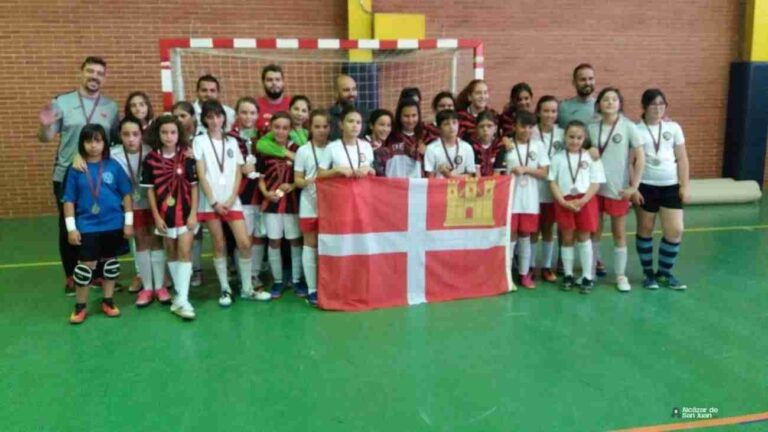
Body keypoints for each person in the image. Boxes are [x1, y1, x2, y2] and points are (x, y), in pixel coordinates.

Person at [38, 56, 119, 296]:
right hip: (68, 175)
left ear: (104, 78)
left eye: (100, 73)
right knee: (69, 225)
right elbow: (45, 138)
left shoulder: (111, 107)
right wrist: (45, 125)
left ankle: (97, 273)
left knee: (100, 222)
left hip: (100, 177)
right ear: (80, 73)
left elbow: (114, 143)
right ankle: (72, 275)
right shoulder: (61, 102)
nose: (95, 76)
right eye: (90, 71)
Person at [62, 124, 133, 324]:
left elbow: (127, 195)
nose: (93, 145)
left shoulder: (113, 166)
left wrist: (128, 222)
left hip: (113, 224)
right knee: (85, 267)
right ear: (82, 144)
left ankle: (108, 301)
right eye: (88, 141)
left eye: (98, 141)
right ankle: (80, 306)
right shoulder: (76, 169)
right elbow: (68, 200)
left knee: (110, 264)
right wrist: (71, 228)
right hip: (87, 226)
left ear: (104, 143)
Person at [194, 100, 262, 306]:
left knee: (244, 243)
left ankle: (247, 289)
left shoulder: (232, 141)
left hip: (232, 201)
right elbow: (201, 174)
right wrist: (214, 201)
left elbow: (238, 171)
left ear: (224, 117)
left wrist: (232, 197)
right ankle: (225, 289)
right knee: (219, 244)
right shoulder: (199, 141)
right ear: (204, 120)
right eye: (210, 117)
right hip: (211, 202)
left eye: (218, 116)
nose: (215, 121)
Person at [141, 115, 200, 320]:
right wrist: (157, 217)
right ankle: (180, 298)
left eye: (173, 132)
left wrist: (193, 214)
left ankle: (182, 299)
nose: (169, 136)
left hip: (186, 213)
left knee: (185, 251)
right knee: (172, 252)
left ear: (179, 134)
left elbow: (195, 187)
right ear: (158, 134)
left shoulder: (187, 156)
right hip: (165, 215)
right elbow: (150, 191)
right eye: (164, 132)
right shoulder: (150, 160)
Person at [588, 87, 645, 292]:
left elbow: (641, 158)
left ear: (620, 103)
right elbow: (582, 153)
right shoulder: (591, 128)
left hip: (618, 189)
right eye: (606, 99)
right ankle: (590, 272)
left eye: (614, 99)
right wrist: (588, 150)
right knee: (594, 231)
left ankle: (621, 275)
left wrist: (634, 186)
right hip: (594, 188)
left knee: (619, 233)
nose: (610, 102)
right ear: (599, 104)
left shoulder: (629, 127)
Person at [634, 89, 689, 290]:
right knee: (645, 229)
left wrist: (684, 185)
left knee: (675, 230)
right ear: (644, 106)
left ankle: (665, 273)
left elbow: (682, 158)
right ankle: (648, 274)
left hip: (670, 186)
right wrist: (634, 188)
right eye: (653, 104)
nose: (658, 108)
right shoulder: (636, 130)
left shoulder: (673, 128)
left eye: (661, 104)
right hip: (645, 186)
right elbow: (630, 162)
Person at [548, 121, 605, 293]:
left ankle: (587, 276)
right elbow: (552, 182)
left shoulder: (591, 157)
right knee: (567, 238)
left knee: (584, 237)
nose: (575, 141)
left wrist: (583, 200)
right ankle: (568, 275)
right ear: (564, 137)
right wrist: (562, 201)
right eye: (571, 137)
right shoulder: (557, 158)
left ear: (584, 138)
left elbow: (596, 183)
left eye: (579, 137)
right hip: (564, 201)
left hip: (585, 201)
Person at [257, 112, 305, 298]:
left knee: (295, 240)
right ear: (271, 128)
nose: (280, 131)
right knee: (274, 241)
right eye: (277, 127)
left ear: (290, 130)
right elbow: (260, 178)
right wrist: (266, 193)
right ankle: (277, 280)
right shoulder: (264, 150)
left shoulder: (298, 150)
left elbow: (304, 175)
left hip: (292, 204)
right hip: (272, 204)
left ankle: (296, 279)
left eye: (285, 128)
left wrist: (292, 185)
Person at [228, 97, 270, 295]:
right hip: (241, 194)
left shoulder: (264, 136)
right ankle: (243, 276)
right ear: (237, 114)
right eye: (244, 112)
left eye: (252, 113)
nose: (248, 117)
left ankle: (254, 274)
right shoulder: (229, 138)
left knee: (259, 235)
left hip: (262, 193)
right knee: (245, 238)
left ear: (258, 115)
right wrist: (240, 167)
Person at [504, 111, 550, 289]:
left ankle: (524, 274)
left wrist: (526, 170)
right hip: (510, 200)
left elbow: (544, 173)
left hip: (529, 200)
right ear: (514, 126)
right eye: (523, 126)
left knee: (525, 236)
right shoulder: (507, 145)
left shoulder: (538, 146)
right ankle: (506, 275)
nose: (526, 130)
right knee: (510, 237)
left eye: (530, 127)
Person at [294, 110, 331, 306]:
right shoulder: (303, 151)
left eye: (325, 126)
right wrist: (309, 182)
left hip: (331, 205)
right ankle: (312, 289)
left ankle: (328, 286)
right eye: (317, 126)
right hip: (309, 203)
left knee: (329, 244)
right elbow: (297, 180)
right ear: (310, 127)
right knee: (310, 244)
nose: (321, 130)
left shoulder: (335, 148)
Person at [530, 96, 565, 282]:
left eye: (553, 111)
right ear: (538, 112)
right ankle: (530, 266)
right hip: (533, 187)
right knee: (533, 230)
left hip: (553, 188)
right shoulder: (531, 132)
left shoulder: (562, 134)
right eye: (546, 111)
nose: (550, 115)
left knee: (548, 228)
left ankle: (546, 266)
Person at [172, 101, 204, 286]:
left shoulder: (203, 136)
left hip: (205, 188)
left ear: (192, 117)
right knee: (189, 230)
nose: (179, 119)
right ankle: (192, 269)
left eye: (183, 116)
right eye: (175, 116)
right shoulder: (172, 137)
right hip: (184, 190)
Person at [318, 106, 375, 179]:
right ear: (341, 125)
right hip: (340, 186)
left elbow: (373, 173)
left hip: (363, 186)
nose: (355, 125)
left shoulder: (367, 146)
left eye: (358, 122)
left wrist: (369, 169)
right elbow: (319, 175)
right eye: (350, 121)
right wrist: (335, 170)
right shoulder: (332, 147)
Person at [424, 110, 477, 179]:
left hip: (461, 185)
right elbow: (430, 178)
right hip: (440, 185)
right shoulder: (431, 149)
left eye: (454, 123)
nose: (451, 127)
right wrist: (439, 171)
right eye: (446, 124)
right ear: (439, 128)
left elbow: (471, 176)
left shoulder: (467, 147)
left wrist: (450, 175)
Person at [380, 99, 424, 178]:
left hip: (417, 183)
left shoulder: (425, 136)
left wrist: (426, 153)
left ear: (419, 115)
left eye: (414, 115)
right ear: (399, 116)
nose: (410, 120)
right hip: (392, 182)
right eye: (406, 116)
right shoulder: (390, 135)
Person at [558, 64, 597, 128]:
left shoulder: (602, 107)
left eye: (590, 79)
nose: (587, 83)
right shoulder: (563, 108)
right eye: (583, 79)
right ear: (574, 83)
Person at [256, 64, 291, 134]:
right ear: (263, 83)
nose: (274, 83)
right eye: (269, 80)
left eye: (277, 80)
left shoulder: (293, 104)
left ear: (283, 82)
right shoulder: (255, 106)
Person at [470, 111, 504, 177]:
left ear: (495, 129)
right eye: (481, 126)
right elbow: (476, 172)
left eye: (489, 126)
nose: (485, 129)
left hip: (495, 181)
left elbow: (497, 172)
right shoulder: (473, 145)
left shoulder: (499, 145)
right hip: (477, 181)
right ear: (476, 129)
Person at [328, 74, 361, 140]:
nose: (351, 94)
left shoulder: (365, 114)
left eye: (354, 89)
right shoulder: (328, 116)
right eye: (346, 90)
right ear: (336, 93)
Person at [365, 109, 394, 177]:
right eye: (382, 125)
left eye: (388, 125)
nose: (385, 129)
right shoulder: (362, 145)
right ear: (371, 125)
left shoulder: (389, 147)